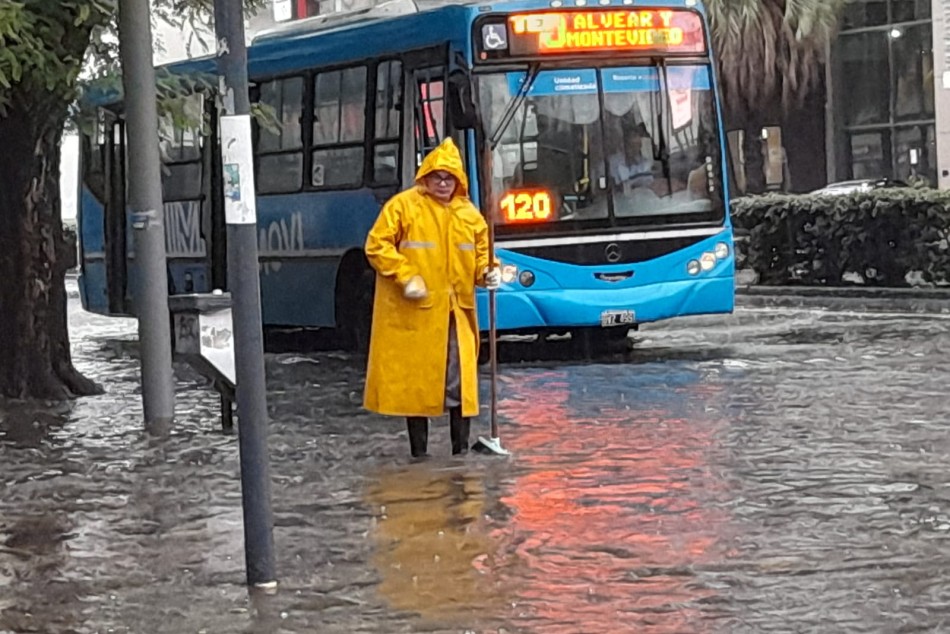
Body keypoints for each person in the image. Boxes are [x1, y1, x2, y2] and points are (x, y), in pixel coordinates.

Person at [363, 138, 501, 458]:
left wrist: (490, 272)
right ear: (425, 177)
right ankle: (419, 454)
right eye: (437, 176)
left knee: (460, 384)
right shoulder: (404, 206)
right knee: (418, 386)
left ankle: (460, 452)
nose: (442, 183)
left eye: (449, 177)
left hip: (457, 313)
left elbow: (482, 258)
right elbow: (376, 246)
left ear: (458, 181)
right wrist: (406, 276)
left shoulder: (470, 216)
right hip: (417, 315)